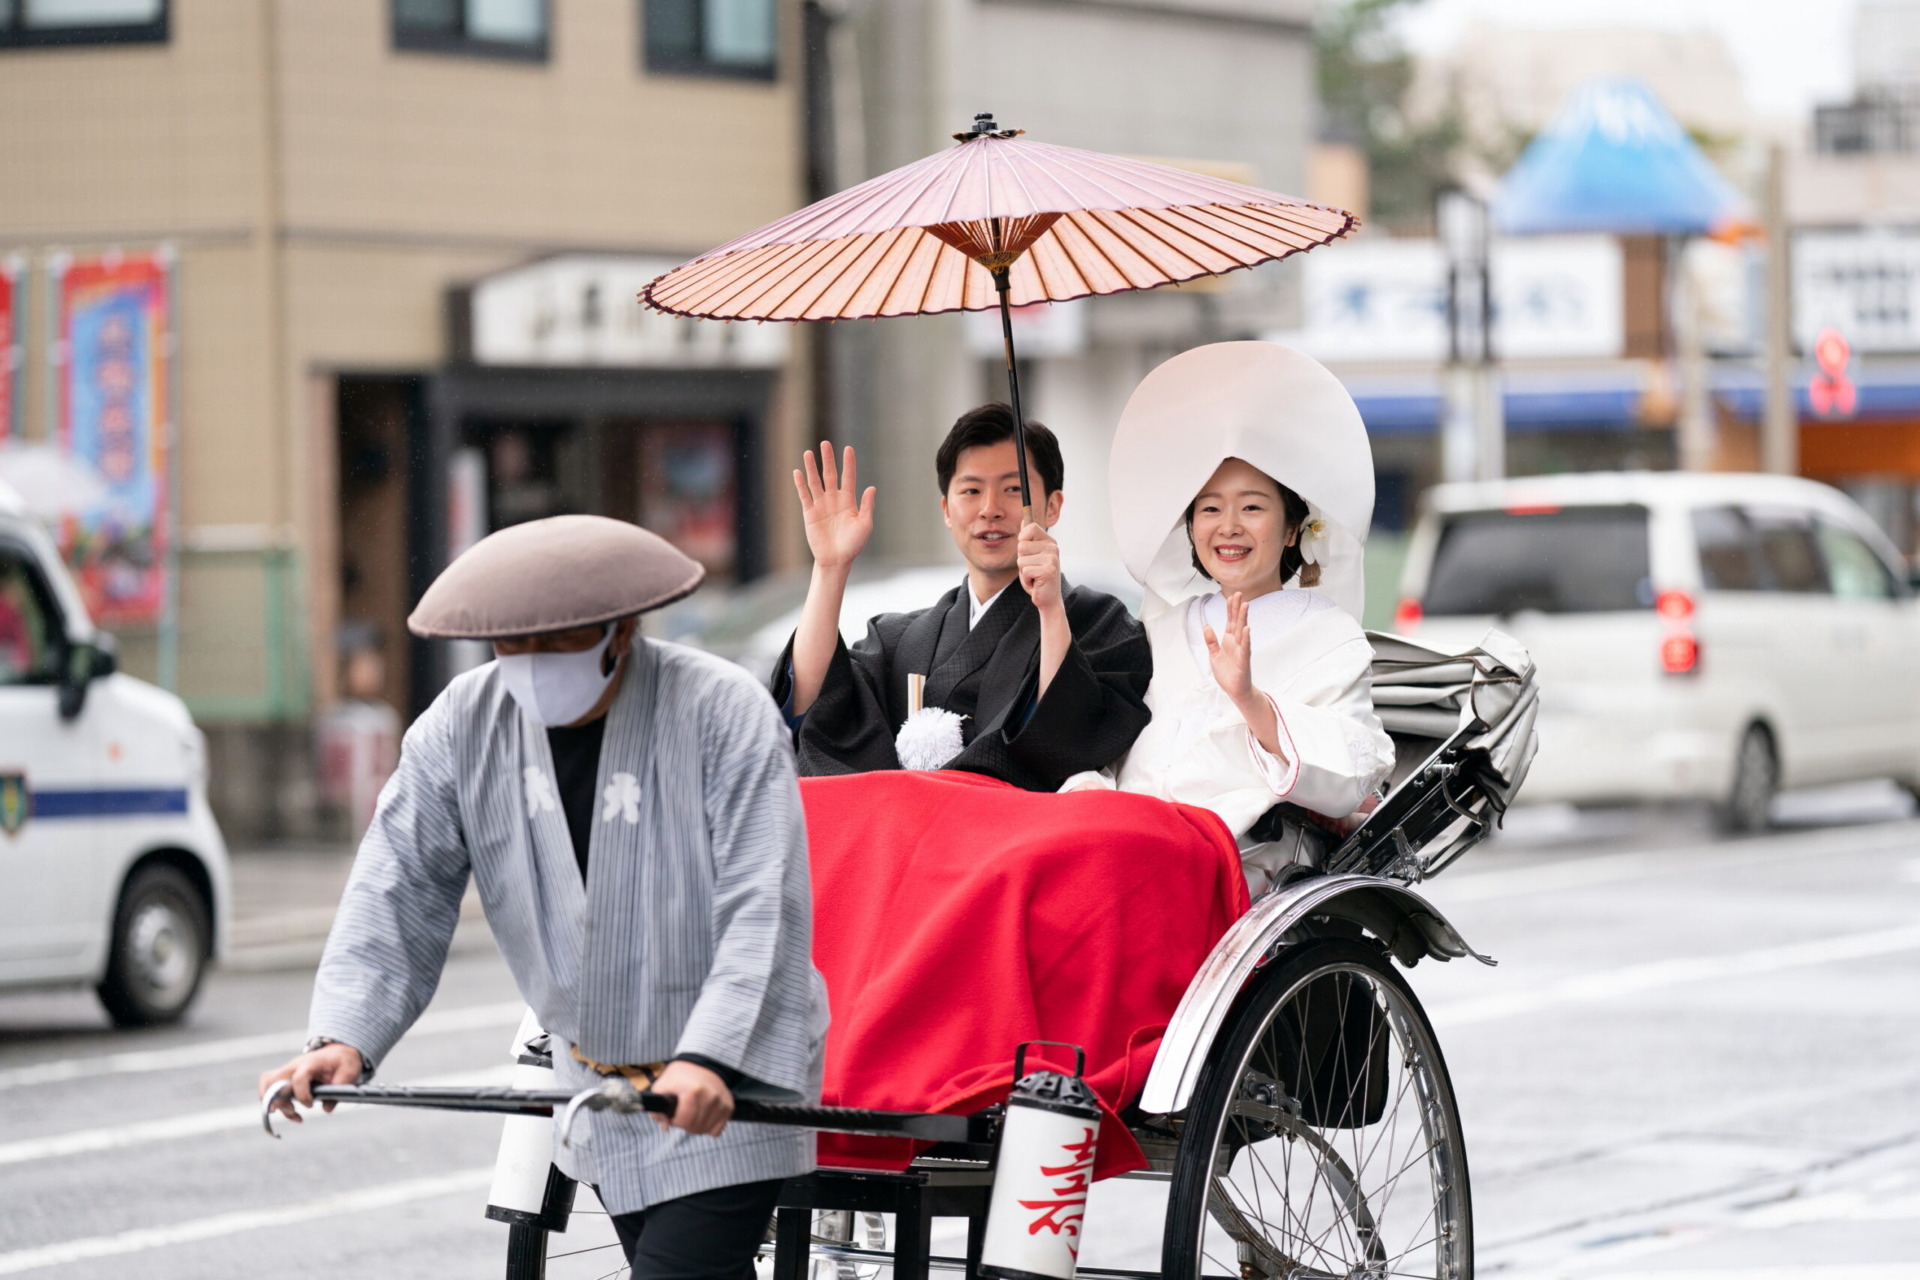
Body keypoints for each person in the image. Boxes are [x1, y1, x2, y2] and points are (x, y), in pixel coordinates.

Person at [258, 514, 826, 1280]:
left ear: (619, 632)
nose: (528, 663)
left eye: (556, 641)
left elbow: (762, 907)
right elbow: (399, 882)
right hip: (600, 1083)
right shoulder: (463, 726)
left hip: (735, 1081)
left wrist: (707, 1056)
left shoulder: (722, 711)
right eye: (510, 643)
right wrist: (341, 1037)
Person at [1068, 342, 1395, 896]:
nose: (1229, 526)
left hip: (1229, 858)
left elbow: (1356, 770)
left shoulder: (1328, 634)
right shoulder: (1163, 628)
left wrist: (1250, 700)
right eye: (1210, 508)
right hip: (1128, 833)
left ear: (1293, 528)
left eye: (1252, 506)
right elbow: (1111, 742)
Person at [771, 404, 1151, 792]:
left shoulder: (1097, 621)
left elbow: (1067, 742)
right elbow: (810, 709)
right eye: (971, 491)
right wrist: (830, 568)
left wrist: (1051, 610)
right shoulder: (900, 639)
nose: (990, 509)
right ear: (946, 510)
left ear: (1053, 506)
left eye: (1013, 489)